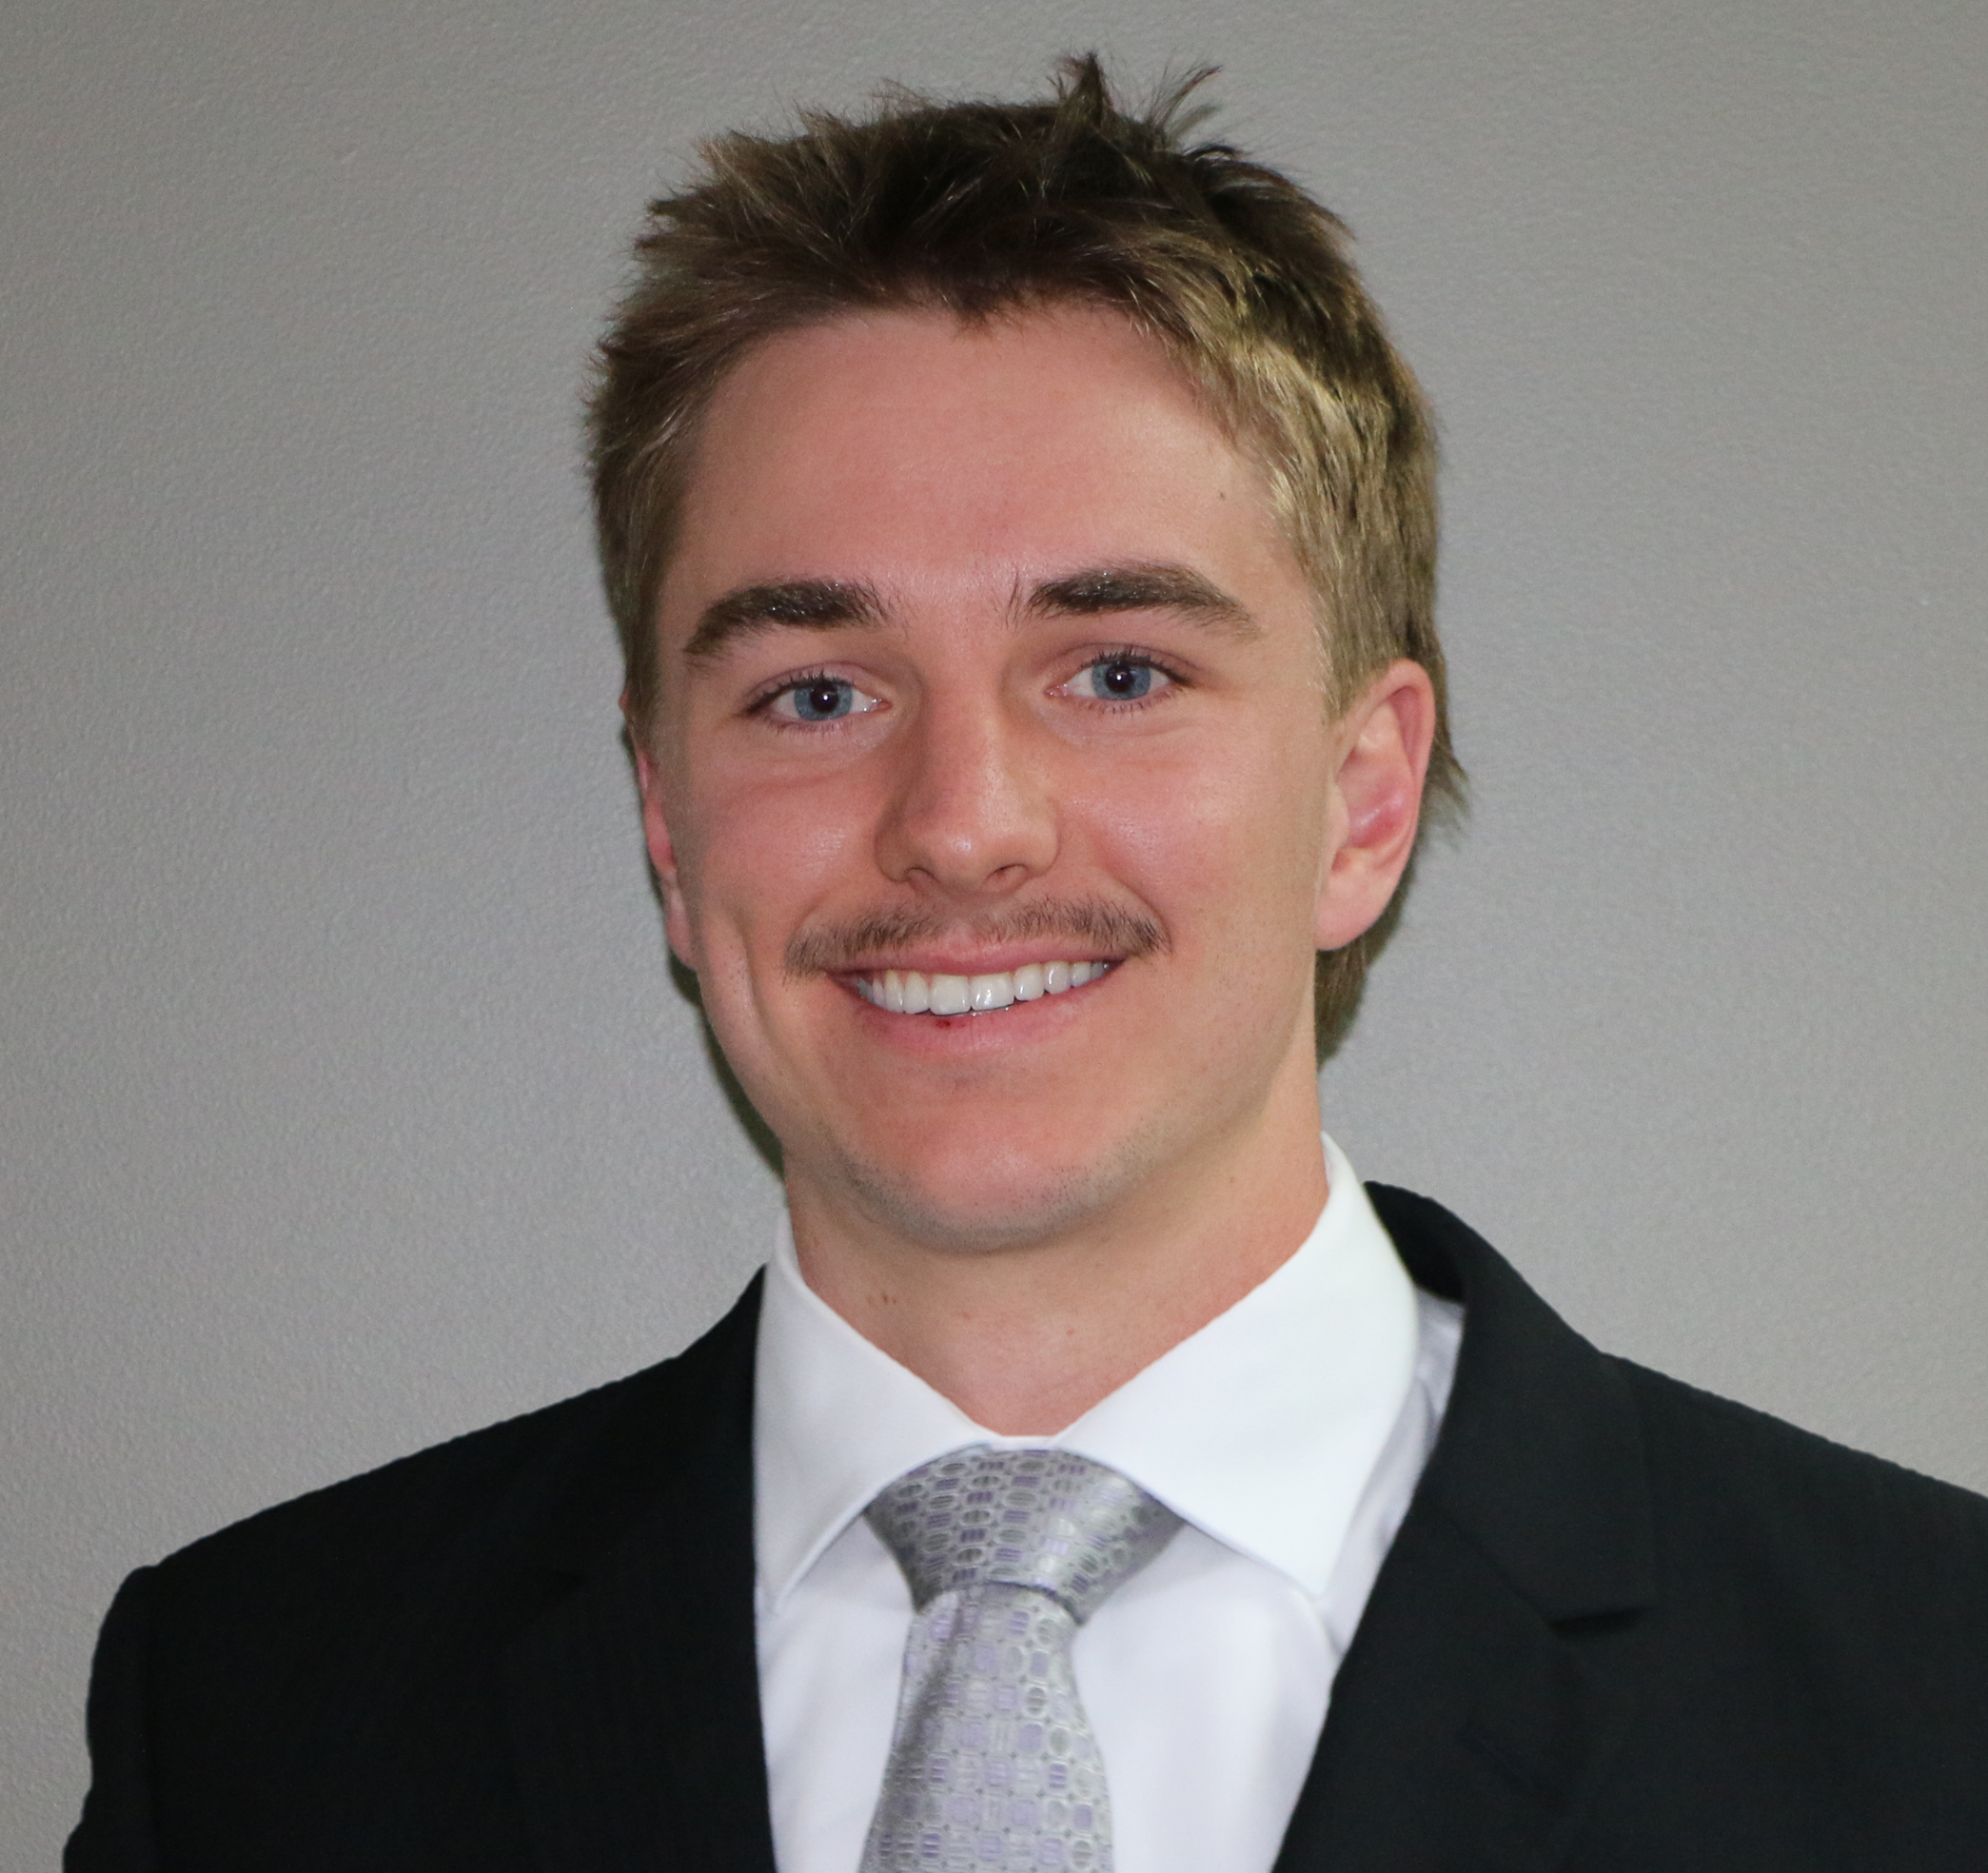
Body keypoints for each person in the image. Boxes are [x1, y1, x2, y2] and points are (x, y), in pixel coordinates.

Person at [67, 57, 1988, 1873]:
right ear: (668, 823)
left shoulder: (1933, 1695)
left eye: (1120, 672)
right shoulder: (253, 1712)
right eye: (815, 691)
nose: (962, 821)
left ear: (1363, 800)